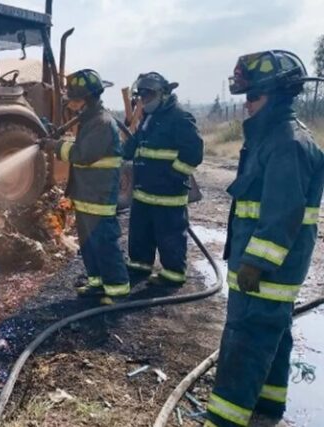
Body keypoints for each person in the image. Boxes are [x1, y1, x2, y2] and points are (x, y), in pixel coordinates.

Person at [204, 50, 324, 427]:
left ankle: (223, 421)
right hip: (266, 269)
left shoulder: (286, 143)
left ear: (277, 95)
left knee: (246, 342)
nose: (246, 106)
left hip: (267, 272)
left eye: (253, 97)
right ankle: (267, 409)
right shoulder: (270, 137)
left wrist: (256, 263)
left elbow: (282, 215)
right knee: (274, 334)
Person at [40, 69, 129, 305]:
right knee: (89, 243)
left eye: (76, 98)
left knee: (104, 242)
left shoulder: (101, 122)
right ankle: (97, 282)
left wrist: (55, 146)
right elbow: (82, 145)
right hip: (87, 193)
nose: (73, 103)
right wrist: (59, 141)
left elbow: (83, 154)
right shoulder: (90, 119)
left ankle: (118, 289)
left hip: (99, 195)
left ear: (88, 98)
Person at [122, 72, 204, 287]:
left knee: (170, 235)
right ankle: (141, 265)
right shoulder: (150, 118)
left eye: (148, 95)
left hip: (168, 193)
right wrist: (120, 154)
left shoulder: (179, 118)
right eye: (141, 95)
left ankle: (173, 274)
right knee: (141, 232)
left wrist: (173, 175)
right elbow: (136, 144)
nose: (144, 100)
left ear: (164, 94)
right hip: (144, 192)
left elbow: (193, 153)